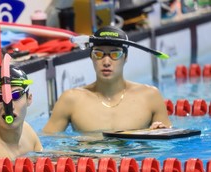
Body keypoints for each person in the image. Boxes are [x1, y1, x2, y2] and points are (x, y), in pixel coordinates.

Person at [43, 26, 172, 134]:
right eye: (98, 54)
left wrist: (158, 133)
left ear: (125, 57)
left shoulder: (150, 96)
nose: (106, 62)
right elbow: (46, 145)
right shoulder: (71, 99)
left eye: (115, 54)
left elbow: (169, 148)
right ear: (91, 57)